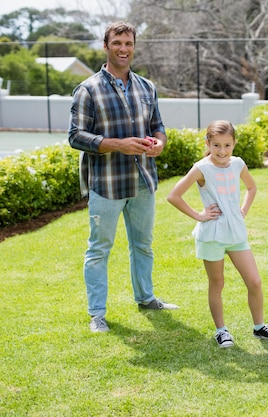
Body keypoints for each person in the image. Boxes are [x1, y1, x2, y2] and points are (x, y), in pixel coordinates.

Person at [69, 21, 178, 333]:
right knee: (99, 249)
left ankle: (146, 297)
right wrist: (118, 145)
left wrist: (159, 143)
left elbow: (158, 125)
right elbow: (76, 136)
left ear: (134, 46)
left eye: (128, 43)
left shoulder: (147, 87)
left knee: (143, 245)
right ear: (106, 46)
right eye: (117, 42)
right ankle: (97, 315)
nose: (123, 48)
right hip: (107, 184)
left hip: (143, 181)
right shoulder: (88, 90)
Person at [167, 120, 268, 348]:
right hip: (212, 234)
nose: (222, 151)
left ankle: (260, 327)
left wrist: (243, 210)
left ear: (234, 144)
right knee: (217, 282)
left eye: (227, 145)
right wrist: (199, 216)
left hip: (236, 233)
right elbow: (173, 196)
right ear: (208, 143)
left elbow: (252, 188)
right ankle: (221, 331)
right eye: (217, 145)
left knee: (254, 281)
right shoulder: (201, 168)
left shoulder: (238, 164)